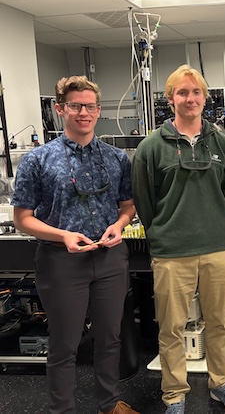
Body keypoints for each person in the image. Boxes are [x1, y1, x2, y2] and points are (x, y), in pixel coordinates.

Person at [11, 76, 138, 414]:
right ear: (60, 109)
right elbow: (22, 218)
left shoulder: (116, 158)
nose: (84, 112)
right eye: (76, 106)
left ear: (98, 110)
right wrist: (63, 235)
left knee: (109, 338)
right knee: (64, 344)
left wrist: (119, 225)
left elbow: (128, 206)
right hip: (61, 261)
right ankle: (62, 410)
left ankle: (109, 404)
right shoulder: (38, 160)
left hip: (109, 257)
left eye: (90, 106)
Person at [131, 64, 225, 414]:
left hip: (217, 250)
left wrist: (215, 227)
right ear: (170, 99)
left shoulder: (223, 146)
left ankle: (221, 383)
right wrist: (164, 233)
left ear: (205, 98)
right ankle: (175, 395)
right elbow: (145, 202)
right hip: (171, 253)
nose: (190, 98)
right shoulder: (151, 148)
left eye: (196, 92)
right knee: (171, 329)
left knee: (219, 324)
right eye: (182, 92)